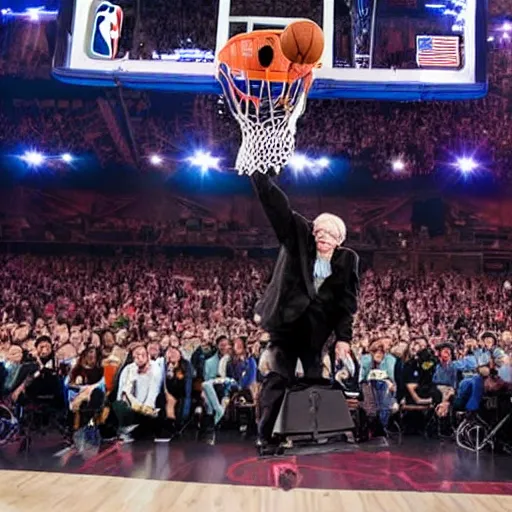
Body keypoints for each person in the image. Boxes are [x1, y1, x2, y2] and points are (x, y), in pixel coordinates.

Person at [250, 172, 359, 447]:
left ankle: (310, 433)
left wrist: (343, 338)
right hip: (286, 327)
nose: (323, 239)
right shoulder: (298, 235)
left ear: (340, 241)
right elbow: (280, 210)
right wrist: (263, 181)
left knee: (314, 381)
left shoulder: (347, 260)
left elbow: (347, 303)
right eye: (320, 233)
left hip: (315, 334)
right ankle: (265, 436)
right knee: (278, 378)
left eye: (331, 236)